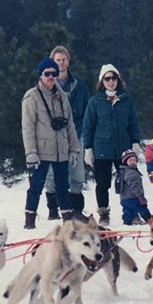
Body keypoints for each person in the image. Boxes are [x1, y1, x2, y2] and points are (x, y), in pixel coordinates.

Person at [21, 57, 80, 230]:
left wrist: (74, 148)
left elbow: (70, 124)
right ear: (40, 75)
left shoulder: (62, 96)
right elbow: (27, 127)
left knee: (63, 187)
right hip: (41, 152)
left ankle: (68, 222)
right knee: (36, 186)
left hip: (61, 150)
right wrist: (30, 152)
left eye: (54, 73)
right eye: (47, 73)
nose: (51, 77)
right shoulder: (31, 97)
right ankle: (29, 220)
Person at [82, 64, 142, 226]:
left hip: (123, 148)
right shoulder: (95, 101)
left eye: (113, 78)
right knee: (102, 183)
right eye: (107, 79)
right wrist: (88, 148)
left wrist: (135, 143)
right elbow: (88, 126)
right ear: (102, 81)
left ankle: (133, 212)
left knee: (129, 180)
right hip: (102, 148)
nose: (110, 82)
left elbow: (133, 123)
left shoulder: (126, 100)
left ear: (118, 80)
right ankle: (103, 213)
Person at [43, 45, 90, 219]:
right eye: (57, 60)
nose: (61, 63)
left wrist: (81, 131)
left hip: (76, 133)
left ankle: (76, 209)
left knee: (77, 172)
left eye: (64, 59)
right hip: (52, 135)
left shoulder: (79, 85)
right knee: (51, 173)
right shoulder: (46, 85)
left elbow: (87, 110)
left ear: (68, 61)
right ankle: (53, 209)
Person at [115, 149, 153, 225]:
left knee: (128, 211)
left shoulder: (122, 171)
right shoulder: (131, 172)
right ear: (125, 162)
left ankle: (127, 222)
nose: (133, 162)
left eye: (134, 160)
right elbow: (135, 186)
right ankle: (150, 220)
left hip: (124, 199)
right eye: (130, 160)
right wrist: (140, 196)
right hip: (134, 198)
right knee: (142, 209)